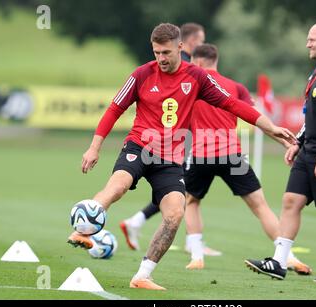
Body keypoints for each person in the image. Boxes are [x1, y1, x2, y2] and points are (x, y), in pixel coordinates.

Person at [67, 23, 298, 291]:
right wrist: (94, 147)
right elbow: (114, 108)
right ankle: (82, 230)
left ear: (180, 47)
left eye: (166, 52)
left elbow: (233, 104)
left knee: (175, 214)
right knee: (117, 187)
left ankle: (142, 276)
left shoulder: (197, 77)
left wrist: (271, 129)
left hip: (170, 160)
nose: (161, 59)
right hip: (139, 147)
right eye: (156, 53)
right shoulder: (142, 75)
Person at [181, 44, 311, 275]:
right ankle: (287, 256)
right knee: (260, 205)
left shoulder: (190, 84)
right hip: (232, 154)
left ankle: (197, 256)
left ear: (198, 63)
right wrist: (281, 140)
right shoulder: (236, 87)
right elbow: (254, 117)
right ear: (216, 60)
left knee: (191, 202)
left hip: (201, 154)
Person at [245, 21, 316, 284]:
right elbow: (313, 115)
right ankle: (279, 262)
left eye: (312, 39)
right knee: (290, 201)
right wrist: (297, 142)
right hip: (309, 150)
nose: (307, 43)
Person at [120, 22, 221, 257]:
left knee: (178, 191)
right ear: (190, 42)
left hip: (180, 139)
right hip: (178, 140)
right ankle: (192, 241)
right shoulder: (182, 66)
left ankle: (140, 222)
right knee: (179, 191)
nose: (202, 44)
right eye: (201, 39)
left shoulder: (183, 66)